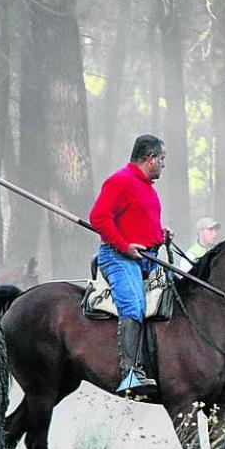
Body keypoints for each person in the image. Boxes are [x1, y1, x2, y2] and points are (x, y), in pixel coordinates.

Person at [89, 135, 168, 398]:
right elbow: (98, 217)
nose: (163, 164)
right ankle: (130, 373)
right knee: (134, 305)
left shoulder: (149, 188)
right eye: (162, 159)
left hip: (147, 258)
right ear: (150, 159)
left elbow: (138, 221)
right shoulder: (120, 181)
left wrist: (160, 234)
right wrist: (124, 246)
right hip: (119, 257)